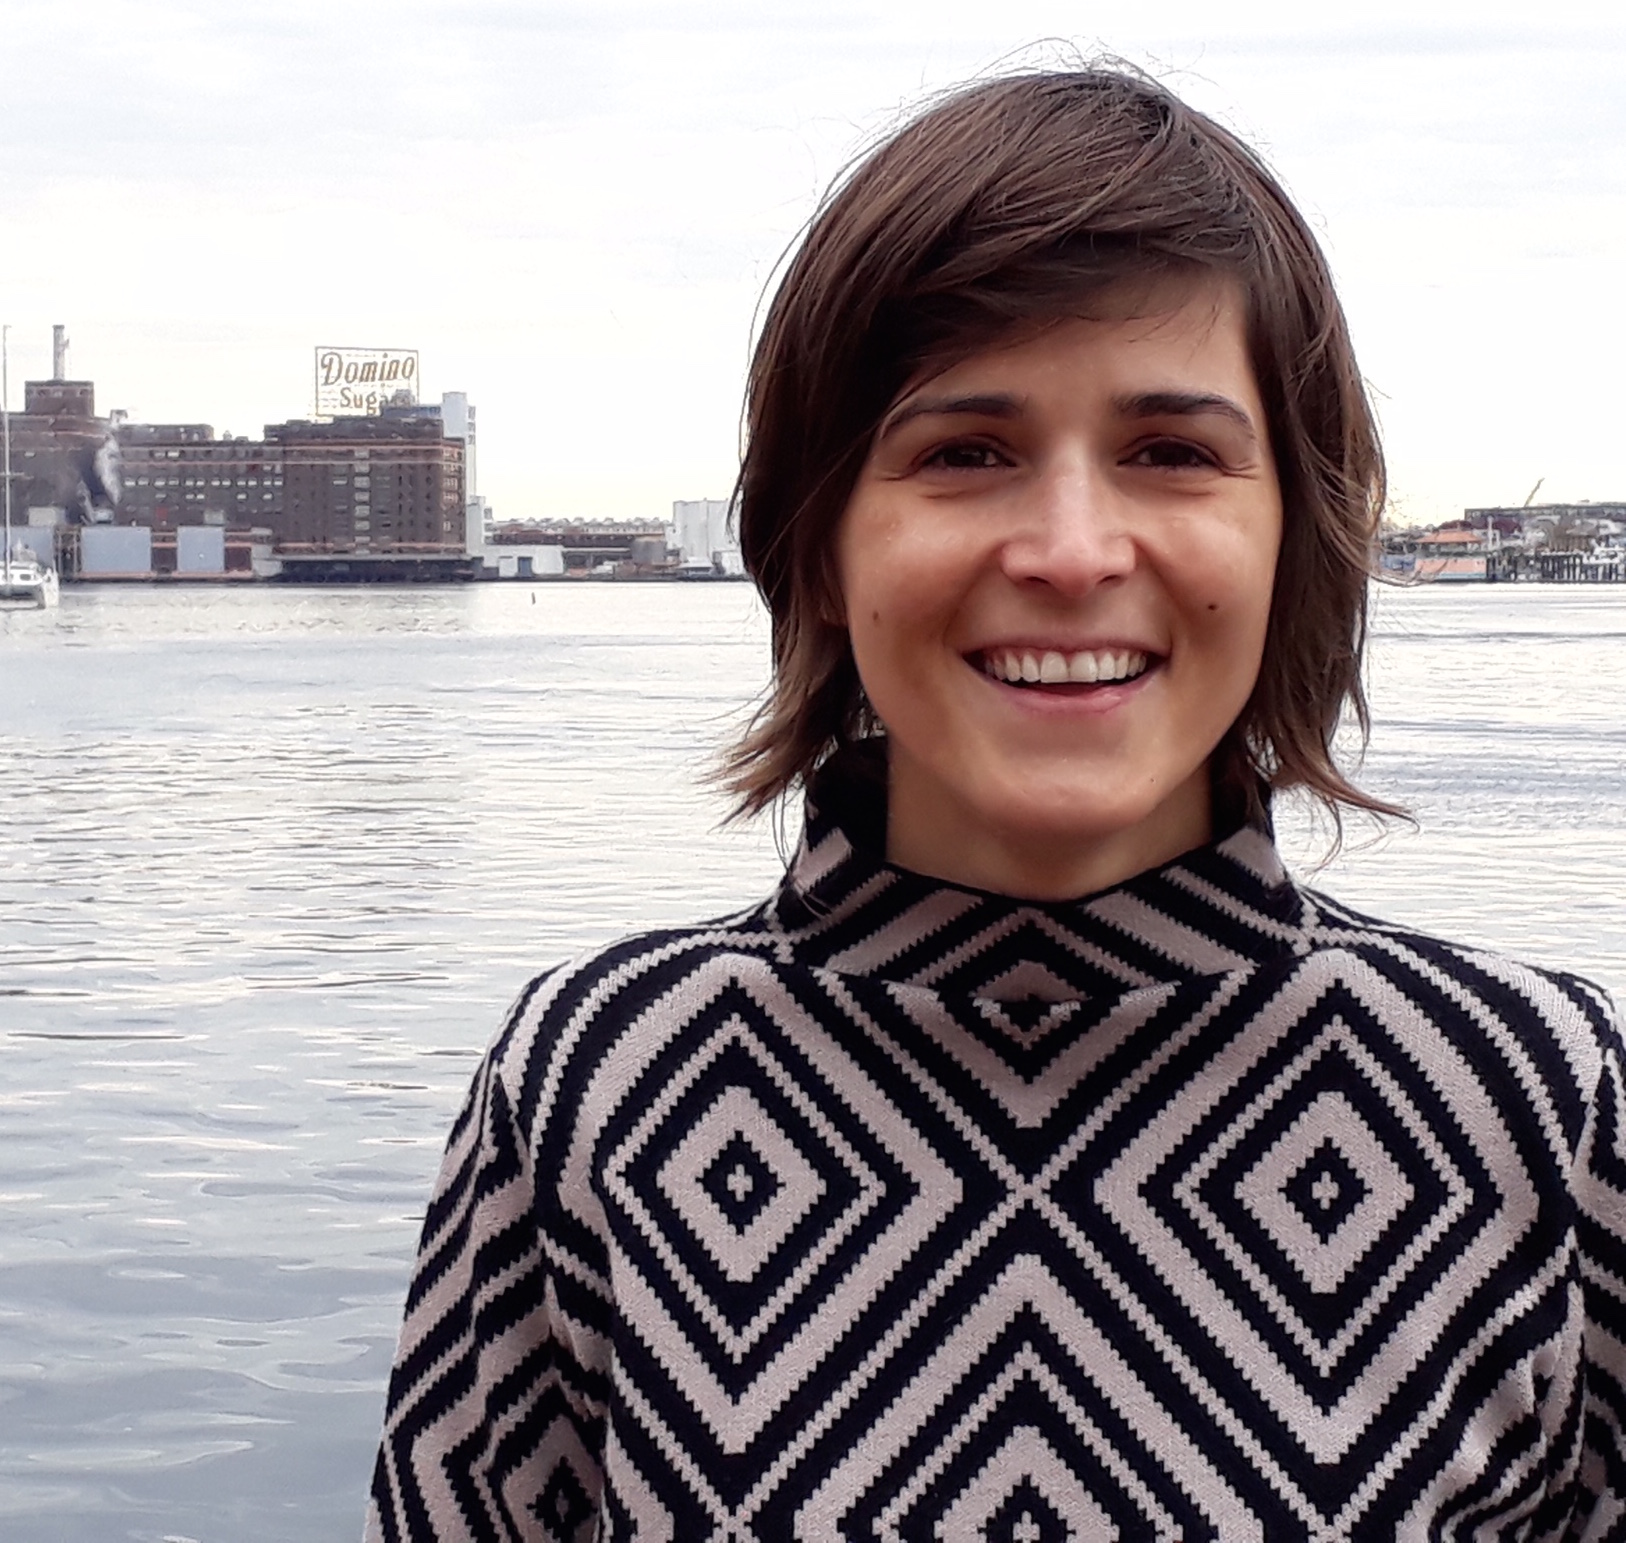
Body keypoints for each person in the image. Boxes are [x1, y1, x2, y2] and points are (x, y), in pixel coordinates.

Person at [367, 68, 1626, 1541]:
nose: (1072, 551)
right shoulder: (600, 1086)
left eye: (1170, 453)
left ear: (1296, 534)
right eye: (965, 453)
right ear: (818, 544)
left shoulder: (1527, 1102)